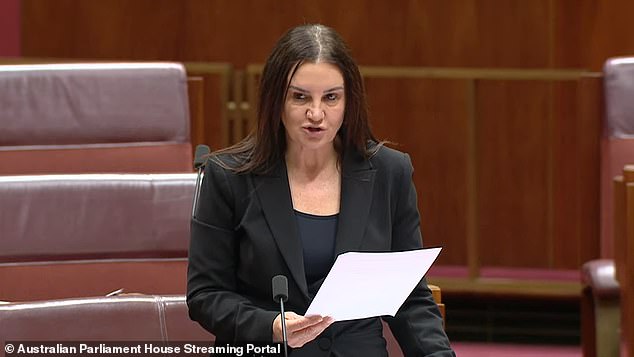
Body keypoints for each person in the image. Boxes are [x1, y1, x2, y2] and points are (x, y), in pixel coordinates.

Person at [187, 24, 455, 356]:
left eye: (331, 97)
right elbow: (206, 295)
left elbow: (410, 298)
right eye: (300, 97)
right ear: (276, 101)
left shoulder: (389, 173)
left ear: (349, 100)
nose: (316, 114)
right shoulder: (228, 177)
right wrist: (271, 327)